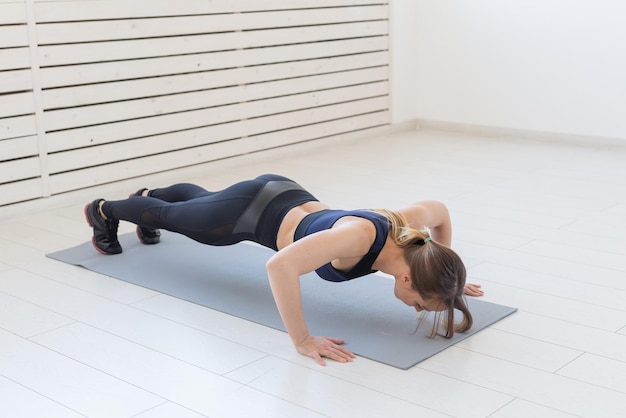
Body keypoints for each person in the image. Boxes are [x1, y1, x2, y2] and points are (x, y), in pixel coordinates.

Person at [84, 174, 483, 366]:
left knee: (197, 205)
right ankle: (104, 210)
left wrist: (444, 277)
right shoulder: (360, 239)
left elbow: (440, 212)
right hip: (250, 213)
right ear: (407, 278)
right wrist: (303, 340)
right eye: (418, 303)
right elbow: (279, 266)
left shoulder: (408, 236)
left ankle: (148, 197)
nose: (415, 308)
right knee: (179, 220)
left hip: (284, 194)